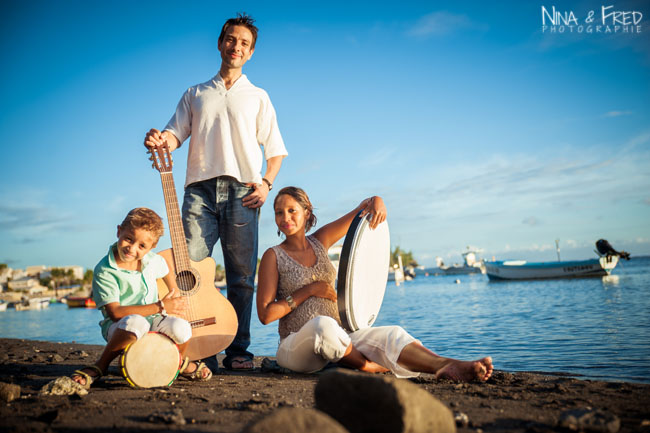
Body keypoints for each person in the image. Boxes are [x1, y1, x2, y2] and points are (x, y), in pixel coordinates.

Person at [144, 13, 288, 371]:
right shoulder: (195, 93)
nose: (235, 46)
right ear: (220, 43)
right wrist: (161, 139)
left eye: (243, 43)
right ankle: (200, 345)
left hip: (243, 193)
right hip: (198, 193)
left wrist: (267, 183)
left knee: (241, 277)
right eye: (231, 39)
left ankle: (238, 349)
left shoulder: (258, 96)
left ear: (250, 52)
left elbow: (276, 151)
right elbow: (174, 135)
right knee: (189, 270)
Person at [256, 187, 493, 381]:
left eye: (291, 210)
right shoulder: (273, 255)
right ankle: (368, 366)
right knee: (322, 327)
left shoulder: (321, 240)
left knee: (392, 334)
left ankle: (447, 365)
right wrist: (309, 290)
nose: (285, 218)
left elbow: (361, 211)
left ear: (307, 213)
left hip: (341, 338)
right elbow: (266, 315)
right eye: (279, 213)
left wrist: (378, 201)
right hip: (296, 347)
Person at [71, 208, 211, 389]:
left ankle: (177, 362)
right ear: (119, 231)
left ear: (152, 248)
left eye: (142, 246)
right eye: (128, 239)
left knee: (181, 327)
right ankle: (101, 365)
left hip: (153, 321)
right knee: (136, 323)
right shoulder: (105, 270)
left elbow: (165, 267)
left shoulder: (152, 260)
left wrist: (174, 292)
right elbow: (115, 313)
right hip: (121, 328)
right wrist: (161, 306)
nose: (132, 248)